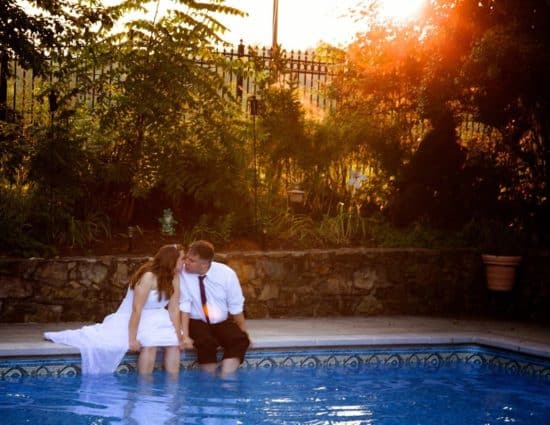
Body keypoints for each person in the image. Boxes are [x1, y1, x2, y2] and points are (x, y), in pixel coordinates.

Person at [44, 244, 184, 375]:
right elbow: (136, 309)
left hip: (158, 318)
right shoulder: (148, 277)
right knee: (150, 344)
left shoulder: (175, 277)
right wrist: (132, 339)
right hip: (135, 316)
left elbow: (174, 308)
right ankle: (145, 390)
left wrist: (179, 335)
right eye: (182, 259)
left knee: (173, 344)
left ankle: (173, 390)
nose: (184, 262)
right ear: (171, 260)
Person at [179, 240, 250, 376]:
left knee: (240, 340)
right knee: (205, 342)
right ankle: (209, 380)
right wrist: (185, 336)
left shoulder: (226, 274)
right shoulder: (182, 273)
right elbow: (184, 305)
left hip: (221, 321)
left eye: (192, 260)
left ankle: (225, 377)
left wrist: (244, 332)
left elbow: (235, 306)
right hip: (196, 320)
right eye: (186, 258)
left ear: (204, 264)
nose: (186, 262)